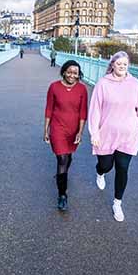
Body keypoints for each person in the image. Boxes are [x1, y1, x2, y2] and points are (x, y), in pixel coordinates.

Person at [88, 51, 138, 222]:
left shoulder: (135, 84)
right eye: (119, 63)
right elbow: (95, 110)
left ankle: (117, 203)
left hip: (128, 134)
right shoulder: (103, 84)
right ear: (112, 65)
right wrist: (94, 133)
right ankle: (100, 173)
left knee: (122, 168)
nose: (122, 66)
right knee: (106, 165)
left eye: (125, 64)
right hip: (106, 133)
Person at [44, 60, 88, 211]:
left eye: (75, 73)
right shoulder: (54, 87)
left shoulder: (82, 89)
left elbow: (83, 113)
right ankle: (62, 195)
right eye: (69, 72)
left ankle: (62, 177)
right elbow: (49, 109)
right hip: (58, 128)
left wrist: (80, 132)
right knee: (62, 159)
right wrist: (46, 130)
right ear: (63, 71)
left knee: (68, 158)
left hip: (74, 128)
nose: (72, 75)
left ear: (78, 74)